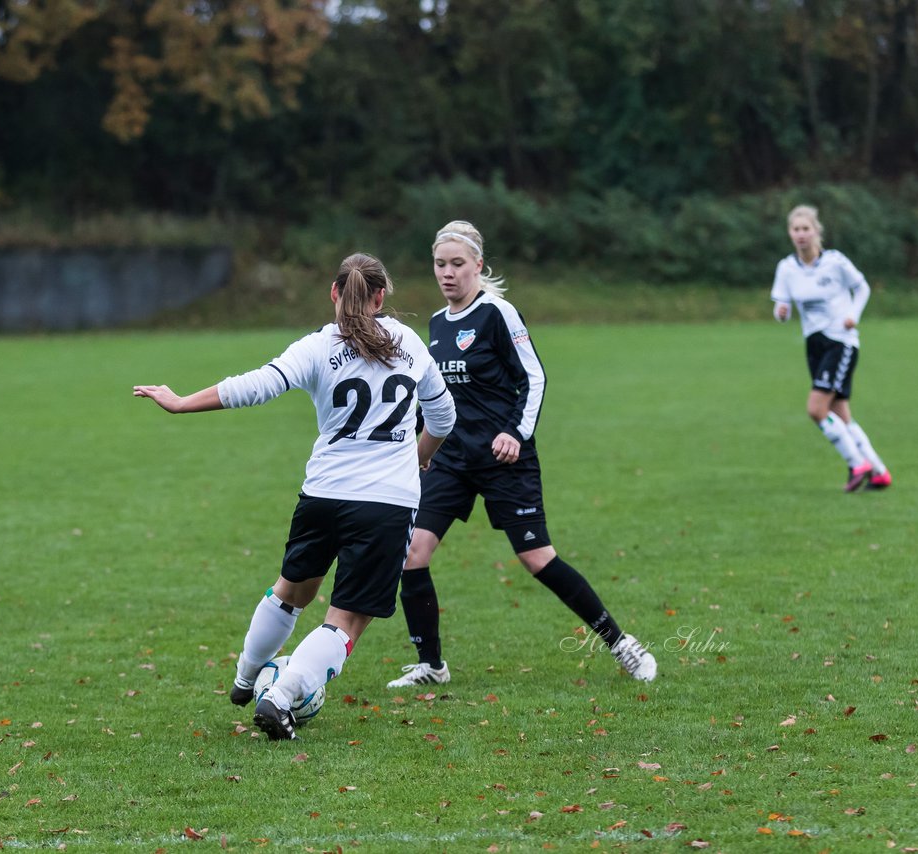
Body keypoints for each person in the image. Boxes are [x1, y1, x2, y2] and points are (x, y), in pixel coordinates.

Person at [134, 253, 456, 741]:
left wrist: (181, 403)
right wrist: (418, 456)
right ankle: (280, 698)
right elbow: (444, 417)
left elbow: (257, 385)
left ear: (334, 293)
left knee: (291, 590)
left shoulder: (318, 347)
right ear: (381, 296)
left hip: (322, 494)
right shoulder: (410, 344)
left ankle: (246, 678)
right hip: (386, 503)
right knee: (346, 619)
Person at [387, 220, 657, 690]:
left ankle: (621, 644)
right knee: (413, 552)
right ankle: (431, 665)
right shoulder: (434, 324)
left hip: (503, 457)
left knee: (537, 558)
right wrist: (418, 446)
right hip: (451, 457)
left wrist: (515, 432)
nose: (447, 273)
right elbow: (432, 397)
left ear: (478, 266)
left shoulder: (498, 314)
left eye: (457, 264)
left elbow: (533, 378)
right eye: (439, 264)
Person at [770, 205, 891, 492]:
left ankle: (856, 463)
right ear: (790, 233)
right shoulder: (787, 268)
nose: (801, 235)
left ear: (816, 232)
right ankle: (878, 472)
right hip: (814, 344)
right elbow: (780, 307)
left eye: (806, 229)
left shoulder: (835, 262)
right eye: (796, 229)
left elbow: (862, 288)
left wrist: (854, 316)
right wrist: (782, 313)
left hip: (840, 341)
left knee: (816, 408)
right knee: (840, 414)